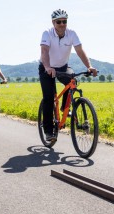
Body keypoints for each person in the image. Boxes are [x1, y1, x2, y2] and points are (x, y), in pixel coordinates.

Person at [39, 9, 98, 142]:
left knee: (72, 81)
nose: (62, 24)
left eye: (64, 21)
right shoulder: (47, 33)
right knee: (49, 98)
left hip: (63, 67)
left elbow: (80, 51)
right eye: (59, 22)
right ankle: (48, 131)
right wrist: (48, 67)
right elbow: (44, 51)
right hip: (46, 67)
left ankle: (65, 108)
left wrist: (89, 66)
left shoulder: (71, 34)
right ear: (53, 22)